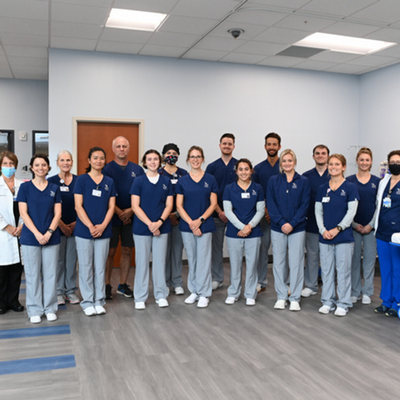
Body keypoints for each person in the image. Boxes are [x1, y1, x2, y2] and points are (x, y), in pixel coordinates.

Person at [17, 154, 62, 324]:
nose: (40, 167)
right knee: (33, 274)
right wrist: (37, 233)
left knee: (51, 274)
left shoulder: (54, 187)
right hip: (30, 237)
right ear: (31, 167)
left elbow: (58, 213)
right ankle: (34, 309)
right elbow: (23, 213)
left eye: (44, 165)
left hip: (52, 236)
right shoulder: (25, 188)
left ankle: (50, 308)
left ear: (48, 167)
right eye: (37, 165)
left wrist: (49, 232)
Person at [74, 147, 116, 317]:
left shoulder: (109, 182)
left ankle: (99, 300)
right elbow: (78, 206)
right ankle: (87, 301)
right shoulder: (82, 180)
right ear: (89, 160)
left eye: (101, 158)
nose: (99, 161)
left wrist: (103, 226)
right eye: (95, 158)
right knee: (85, 267)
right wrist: (91, 226)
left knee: (100, 267)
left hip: (104, 231)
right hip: (84, 231)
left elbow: (112, 207)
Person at [315, 154, 359, 317]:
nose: (333, 166)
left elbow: (351, 212)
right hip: (325, 236)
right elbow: (318, 211)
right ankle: (327, 301)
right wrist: (322, 230)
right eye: (330, 164)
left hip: (343, 237)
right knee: (326, 270)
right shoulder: (322, 188)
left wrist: (338, 229)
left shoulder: (350, 187)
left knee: (343, 271)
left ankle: (343, 302)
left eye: (336, 164)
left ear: (343, 167)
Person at [267, 149, 310, 311]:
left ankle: (295, 297)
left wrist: (292, 223)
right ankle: (281, 296)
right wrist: (281, 222)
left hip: (297, 228)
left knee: (296, 262)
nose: (287, 163)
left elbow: (305, 205)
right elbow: (270, 204)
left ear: (295, 162)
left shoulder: (303, 181)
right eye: (284, 161)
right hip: (278, 228)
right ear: (280, 163)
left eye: (290, 160)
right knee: (278, 263)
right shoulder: (273, 180)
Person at [130, 149, 173, 309]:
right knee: (141, 262)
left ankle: (161, 295)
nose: (153, 162)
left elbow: (169, 205)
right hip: (142, 228)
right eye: (150, 159)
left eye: (156, 159)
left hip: (162, 227)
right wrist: (150, 224)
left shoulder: (166, 181)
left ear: (160, 162)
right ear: (144, 162)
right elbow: (135, 206)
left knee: (160, 262)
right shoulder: (139, 181)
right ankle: (140, 297)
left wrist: (159, 223)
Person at [176, 146, 218, 308]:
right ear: (188, 160)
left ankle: (204, 293)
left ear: (202, 159)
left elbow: (214, 204)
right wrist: (192, 224)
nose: (195, 159)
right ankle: (194, 290)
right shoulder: (182, 180)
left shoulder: (210, 179)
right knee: (192, 259)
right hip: (187, 226)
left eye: (198, 156)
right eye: (192, 157)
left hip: (205, 225)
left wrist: (199, 221)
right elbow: (179, 206)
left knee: (204, 260)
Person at [103, 136, 144, 300]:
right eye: (118, 146)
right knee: (110, 252)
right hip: (111, 216)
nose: (121, 149)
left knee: (127, 250)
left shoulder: (138, 170)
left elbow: (142, 194)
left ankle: (123, 284)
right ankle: (106, 285)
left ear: (129, 148)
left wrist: (131, 211)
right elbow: (105, 196)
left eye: (124, 146)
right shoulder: (106, 169)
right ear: (113, 149)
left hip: (132, 217)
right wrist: (119, 212)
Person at [223, 159, 264, 306]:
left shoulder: (257, 188)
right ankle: (233, 292)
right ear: (236, 171)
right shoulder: (229, 188)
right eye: (241, 169)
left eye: (246, 169)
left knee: (252, 264)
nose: (244, 172)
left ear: (251, 170)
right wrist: (242, 227)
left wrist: (249, 226)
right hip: (234, 232)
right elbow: (228, 211)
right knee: (235, 264)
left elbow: (260, 211)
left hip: (253, 232)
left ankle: (250, 294)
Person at [346, 147, 379, 305]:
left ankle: (367, 292)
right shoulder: (350, 181)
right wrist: (354, 224)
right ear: (357, 161)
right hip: (354, 227)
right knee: (354, 260)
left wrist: (371, 225)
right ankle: (355, 291)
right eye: (361, 159)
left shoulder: (377, 182)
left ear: (371, 162)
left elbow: (379, 206)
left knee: (369, 260)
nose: (364, 162)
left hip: (371, 228)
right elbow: (345, 206)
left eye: (367, 160)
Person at [205, 133, 237, 290]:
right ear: (219, 146)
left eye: (229, 144)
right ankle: (217, 278)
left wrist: (230, 213)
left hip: (236, 216)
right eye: (224, 143)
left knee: (235, 248)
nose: (227, 146)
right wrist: (219, 211)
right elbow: (210, 193)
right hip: (217, 214)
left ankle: (235, 280)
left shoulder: (239, 166)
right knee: (216, 248)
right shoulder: (212, 167)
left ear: (234, 146)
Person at [48, 150, 79, 306]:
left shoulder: (79, 181)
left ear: (72, 162)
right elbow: (49, 207)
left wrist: (74, 224)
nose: (66, 163)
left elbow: (83, 205)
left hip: (75, 227)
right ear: (57, 162)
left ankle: (71, 290)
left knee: (72, 260)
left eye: (68, 160)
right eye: (62, 160)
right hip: (57, 227)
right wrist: (61, 225)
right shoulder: (51, 181)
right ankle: (59, 291)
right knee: (59, 261)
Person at [253, 132, 282, 293]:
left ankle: (282, 282)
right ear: (265, 147)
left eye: (274, 144)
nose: (271, 147)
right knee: (262, 250)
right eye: (269, 144)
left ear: (279, 146)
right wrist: (265, 210)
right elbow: (257, 193)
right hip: (263, 216)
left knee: (281, 252)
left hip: (281, 216)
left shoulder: (283, 167)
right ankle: (261, 281)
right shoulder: (258, 169)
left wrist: (275, 212)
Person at [374, 150, 400, 317]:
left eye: (398, 161)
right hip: (382, 232)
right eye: (393, 162)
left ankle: (397, 303)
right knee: (385, 268)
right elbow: (378, 205)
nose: (395, 164)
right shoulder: (384, 182)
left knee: (398, 269)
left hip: (397, 235)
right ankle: (386, 301)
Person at [302, 145, 330, 298]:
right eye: (317, 154)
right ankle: (311, 285)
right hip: (312, 223)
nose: (320, 156)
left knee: (328, 257)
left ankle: (328, 285)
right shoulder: (306, 177)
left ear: (328, 156)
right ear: (313, 156)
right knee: (312, 255)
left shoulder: (333, 175)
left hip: (331, 224)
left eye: (323, 153)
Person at [159, 143, 187, 295]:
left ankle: (176, 282)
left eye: (174, 153)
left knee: (176, 251)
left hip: (178, 218)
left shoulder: (184, 174)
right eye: (168, 152)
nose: (171, 155)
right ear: (163, 155)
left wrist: (176, 215)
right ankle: (163, 282)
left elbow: (188, 197)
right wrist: (164, 217)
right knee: (162, 252)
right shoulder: (158, 173)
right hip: (162, 220)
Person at [0, 151, 24, 315]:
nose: (9, 167)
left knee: (16, 270)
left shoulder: (22, 184)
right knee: (2, 272)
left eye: (11, 164)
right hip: (3, 233)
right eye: (5, 164)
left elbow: (26, 209)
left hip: (19, 232)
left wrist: (21, 226)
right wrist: (6, 227)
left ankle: (14, 301)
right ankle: (1, 303)